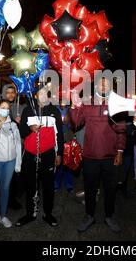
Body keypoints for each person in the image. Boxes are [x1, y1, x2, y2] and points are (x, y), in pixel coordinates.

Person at [71, 78, 126, 233]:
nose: (104, 84)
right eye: (101, 82)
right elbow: (76, 122)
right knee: (90, 188)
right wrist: (75, 105)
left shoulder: (116, 102)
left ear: (110, 86)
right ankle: (89, 216)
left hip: (110, 156)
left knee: (110, 189)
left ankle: (109, 215)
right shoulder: (87, 101)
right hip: (90, 156)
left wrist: (120, 151)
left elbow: (121, 130)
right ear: (96, 86)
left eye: (106, 82)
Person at [16, 85, 63, 227]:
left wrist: (59, 153)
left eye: (45, 93)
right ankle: (30, 213)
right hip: (30, 154)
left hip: (48, 154)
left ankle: (48, 214)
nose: (43, 95)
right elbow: (22, 132)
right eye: (40, 93)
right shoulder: (28, 110)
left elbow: (59, 134)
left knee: (48, 186)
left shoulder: (54, 110)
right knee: (31, 185)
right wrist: (29, 128)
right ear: (35, 96)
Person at [0, 100, 22, 232]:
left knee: (6, 188)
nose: (5, 110)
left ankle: (3, 215)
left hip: (10, 161)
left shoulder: (13, 125)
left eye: (7, 108)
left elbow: (18, 145)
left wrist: (18, 163)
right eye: (2, 107)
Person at [54, 103, 74, 193]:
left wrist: (69, 122)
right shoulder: (55, 109)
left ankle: (69, 184)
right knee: (59, 162)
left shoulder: (70, 109)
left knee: (69, 162)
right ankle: (56, 183)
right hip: (57, 139)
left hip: (68, 138)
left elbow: (75, 124)